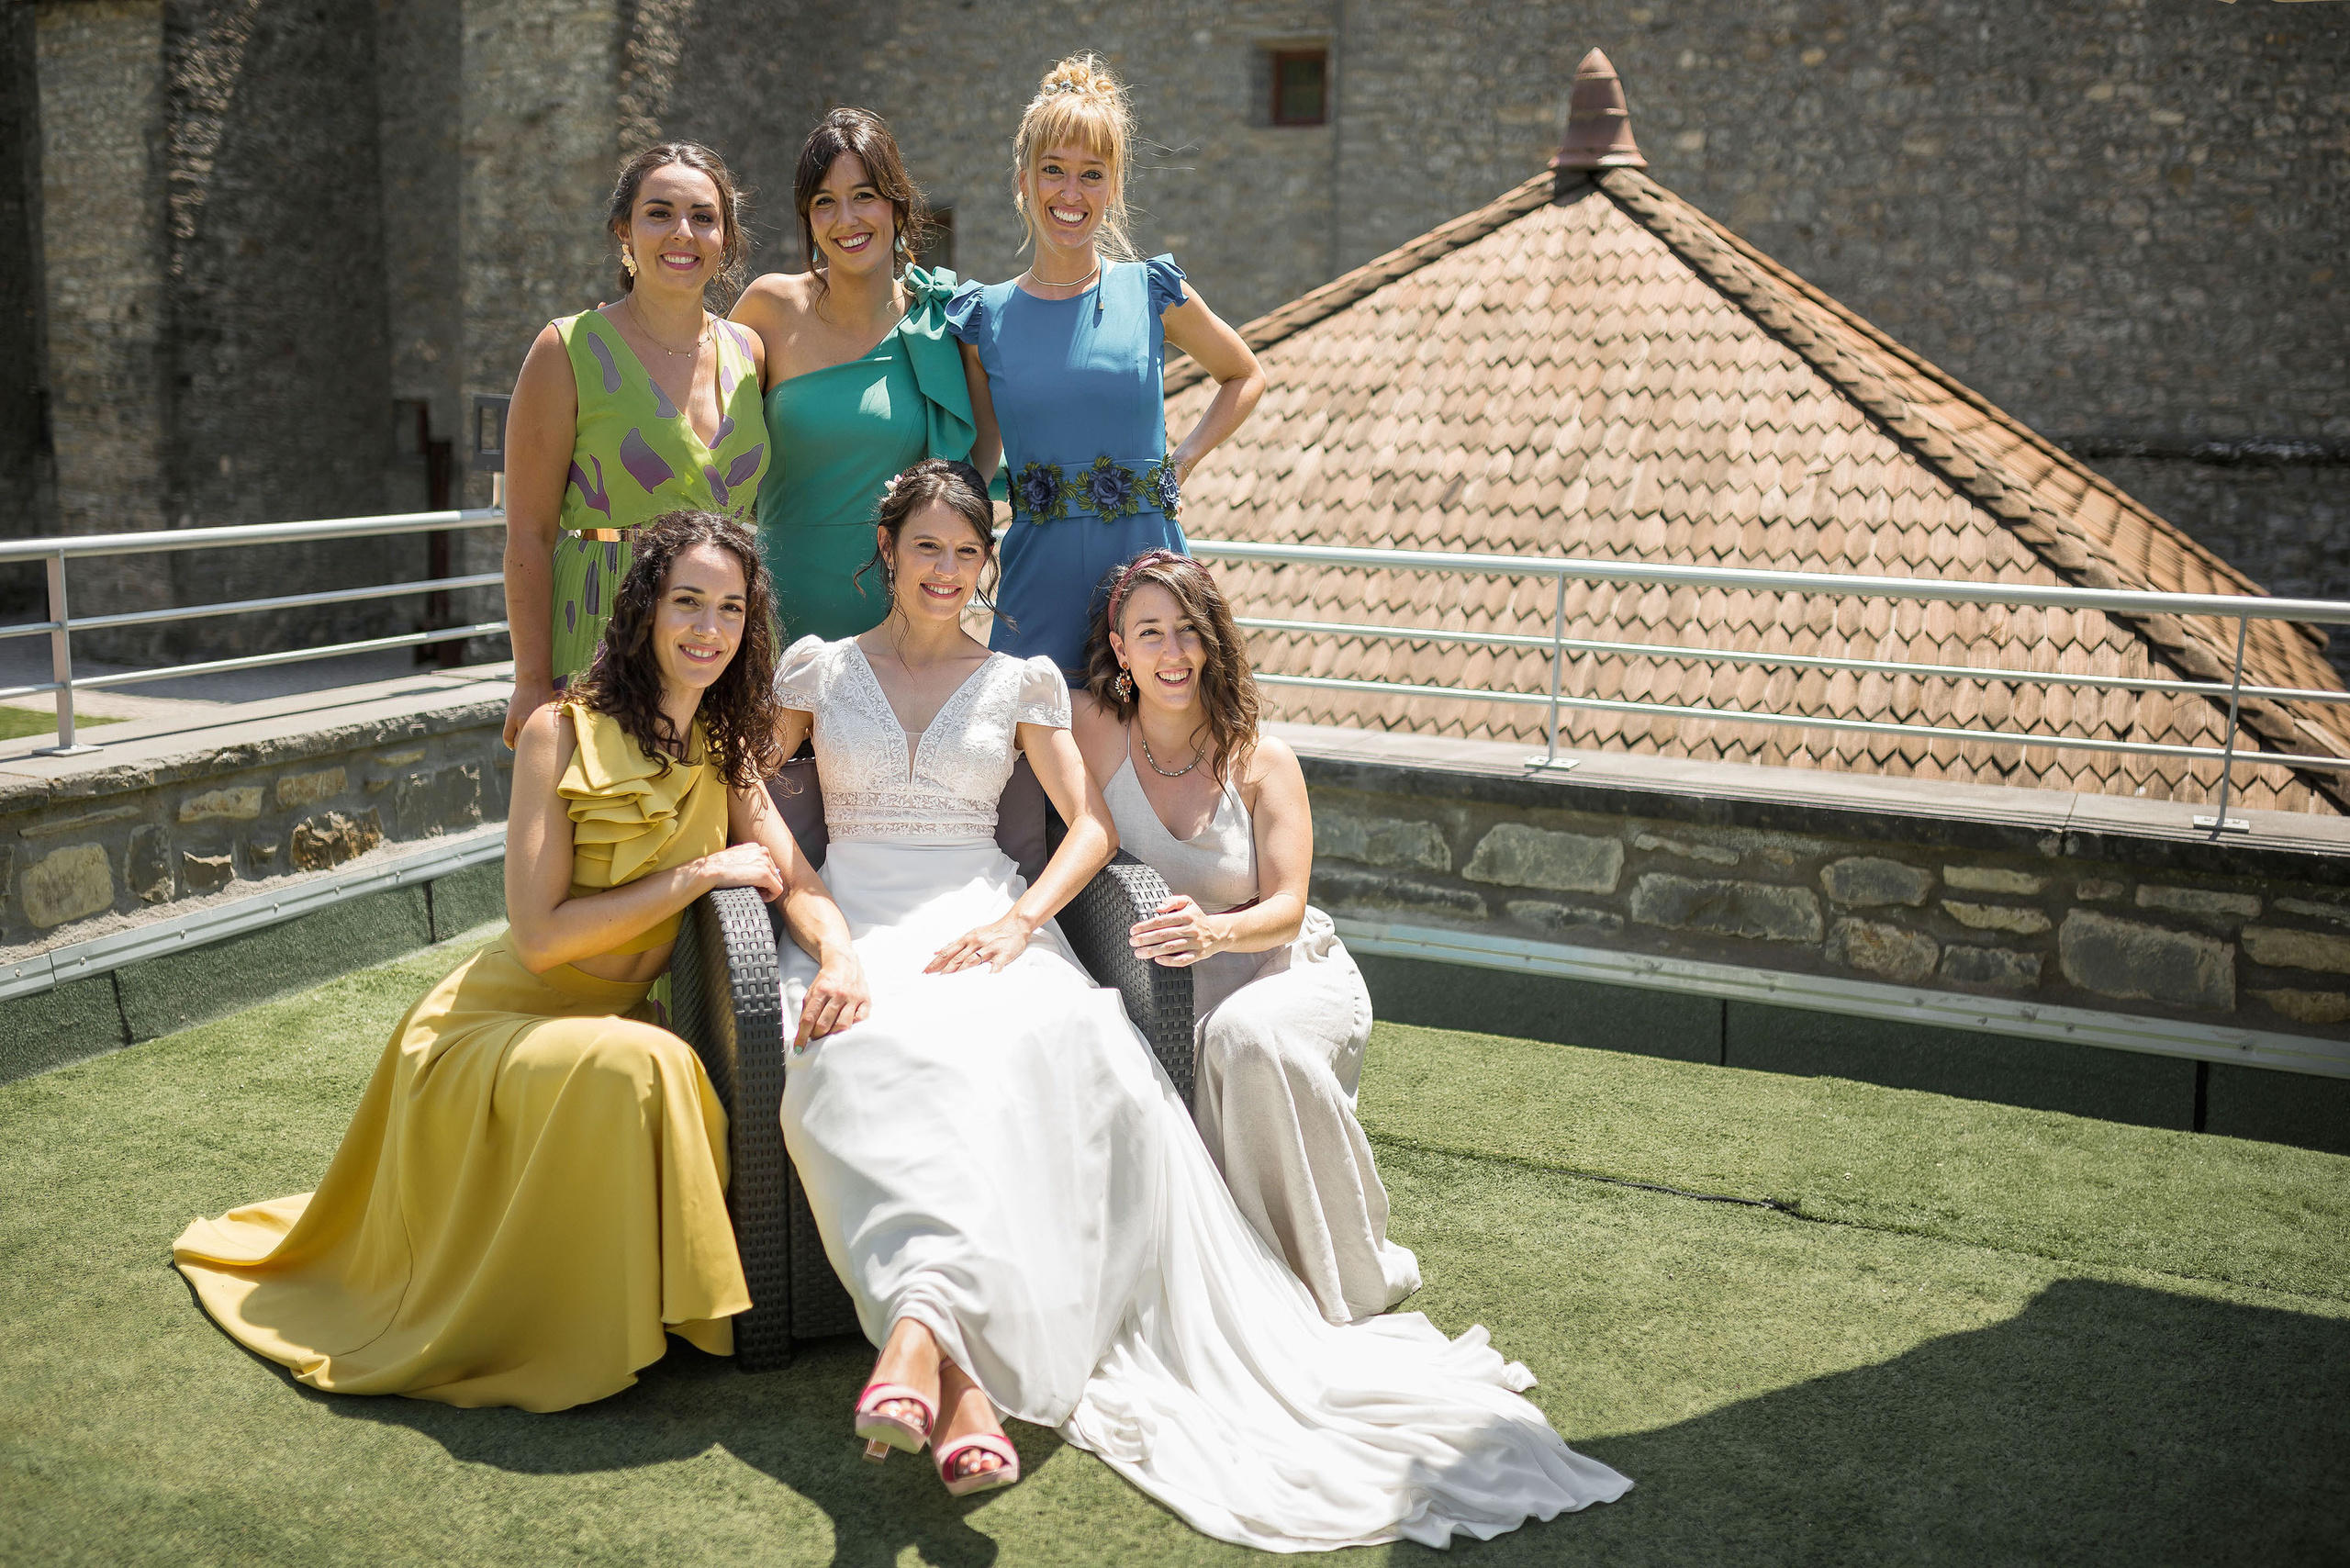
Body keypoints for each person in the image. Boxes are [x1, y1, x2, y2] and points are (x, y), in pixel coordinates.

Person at [774, 460, 1630, 1547]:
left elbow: (1087, 826)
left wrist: (1023, 920)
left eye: (966, 552)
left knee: (1062, 1042)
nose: (945, 570)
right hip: (865, 926)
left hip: (995, 921)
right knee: (869, 1063)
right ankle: (957, 1380)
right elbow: (747, 786)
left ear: (988, 565)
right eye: (926, 548)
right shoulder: (816, 669)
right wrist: (812, 914)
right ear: (886, 551)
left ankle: (924, 1347)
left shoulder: (1026, 683)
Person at [174, 512, 867, 1412]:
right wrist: (697, 872)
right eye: (687, 601)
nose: (708, 628)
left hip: (605, 1023)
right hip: (489, 1030)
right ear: (644, 610)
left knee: (653, 1058)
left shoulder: (723, 748)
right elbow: (540, 936)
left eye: (729, 609)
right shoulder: (558, 733)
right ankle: (574, 1334)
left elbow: (797, 879)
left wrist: (842, 955)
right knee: (651, 1063)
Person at [1072, 548, 1421, 1326]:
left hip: (1286, 969)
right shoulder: (1091, 731)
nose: (1172, 652)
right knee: (1198, 1041)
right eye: (1150, 632)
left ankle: (1338, 1269)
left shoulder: (1265, 760)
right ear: (1119, 647)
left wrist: (1213, 931)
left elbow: (1290, 908)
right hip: (1169, 992)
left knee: (1243, 1037)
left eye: (1189, 631)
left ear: (1213, 642)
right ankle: (1251, 1267)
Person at [946, 54, 1265, 678]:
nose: (1071, 193)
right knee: (1031, 759)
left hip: (1151, 578)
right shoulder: (984, 319)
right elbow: (982, 456)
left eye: (1091, 174)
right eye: (1053, 172)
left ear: (1114, 186)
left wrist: (1184, 459)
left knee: (1164, 753)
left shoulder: (1152, 293)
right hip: (1038, 585)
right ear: (1022, 181)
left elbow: (1244, 374)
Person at [500, 143, 771, 749]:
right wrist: (530, 680)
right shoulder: (565, 350)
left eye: (704, 217)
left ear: (725, 240)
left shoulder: (751, 353)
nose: (683, 232)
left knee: (717, 837)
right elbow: (529, 534)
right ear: (625, 232)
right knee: (606, 832)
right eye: (659, 213)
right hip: (602, 627)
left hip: (717, 645)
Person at [731, 108, 983, 644]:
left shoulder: (941, 320)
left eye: (864, 195)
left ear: (897, 203)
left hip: (901, 619)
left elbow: (977, 460)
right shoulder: (766, 306)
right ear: (808, 218)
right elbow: (708, 429)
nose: (846, 219)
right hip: (777, 606)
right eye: (825, 202)